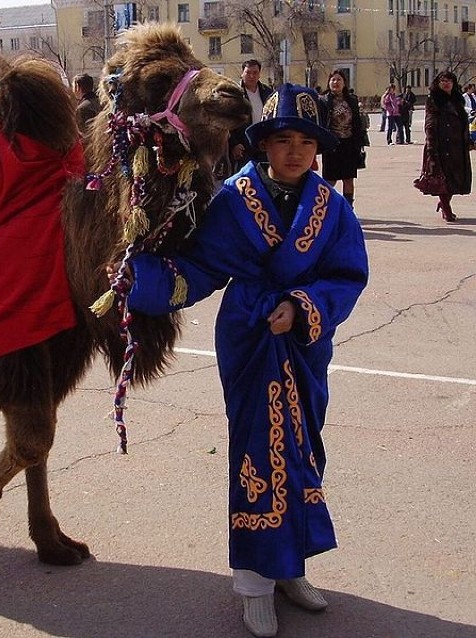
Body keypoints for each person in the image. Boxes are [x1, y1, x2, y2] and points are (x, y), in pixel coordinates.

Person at [122, 84, 369, 637]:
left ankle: (290, 568)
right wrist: (140, 281)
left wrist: (304, 306)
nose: (296, 152)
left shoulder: (332, 207)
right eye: (284, 140)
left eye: (307, 142)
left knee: (304, 447)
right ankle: (253, 584)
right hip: (250, 337)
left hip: (304, 345)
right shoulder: (234, 199)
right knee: (257, 451)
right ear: (264, 144)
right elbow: (202, 268)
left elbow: (348, 277)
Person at [415, 71, 472, 222]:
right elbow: (430, 124)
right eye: (443, 81)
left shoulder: (457, 100)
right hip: (441, 145)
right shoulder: (434, 100)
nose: (446, 83)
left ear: (453, 83)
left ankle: (444, 202)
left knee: (456, 179)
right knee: (443, 179)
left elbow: (463, 121)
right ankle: (447, 209)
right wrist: (431, 144)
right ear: (438, 83)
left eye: (449, 81)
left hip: (457, 145)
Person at [320, 69, 366, 209]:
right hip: (331, 145)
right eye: (333, 80)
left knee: (348, 179)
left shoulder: (352, 100)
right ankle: (322, 207)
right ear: (329, 83)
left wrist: (359, 144)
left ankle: (348, 209)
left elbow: (357, 123)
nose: (336, 82)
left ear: (344, 83)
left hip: (349, 145)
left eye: (339, 79)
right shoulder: (323, 101)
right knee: (329, 180)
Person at [228, 59, 274, 171]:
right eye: (248, 72)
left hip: (263, 144)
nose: (251, 76)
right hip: (244, 146)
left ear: (259, 74)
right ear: (242, 73)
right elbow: (228, 121)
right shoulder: (235, 94)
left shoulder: (267, 92)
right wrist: (234, 144)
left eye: (255, 73)